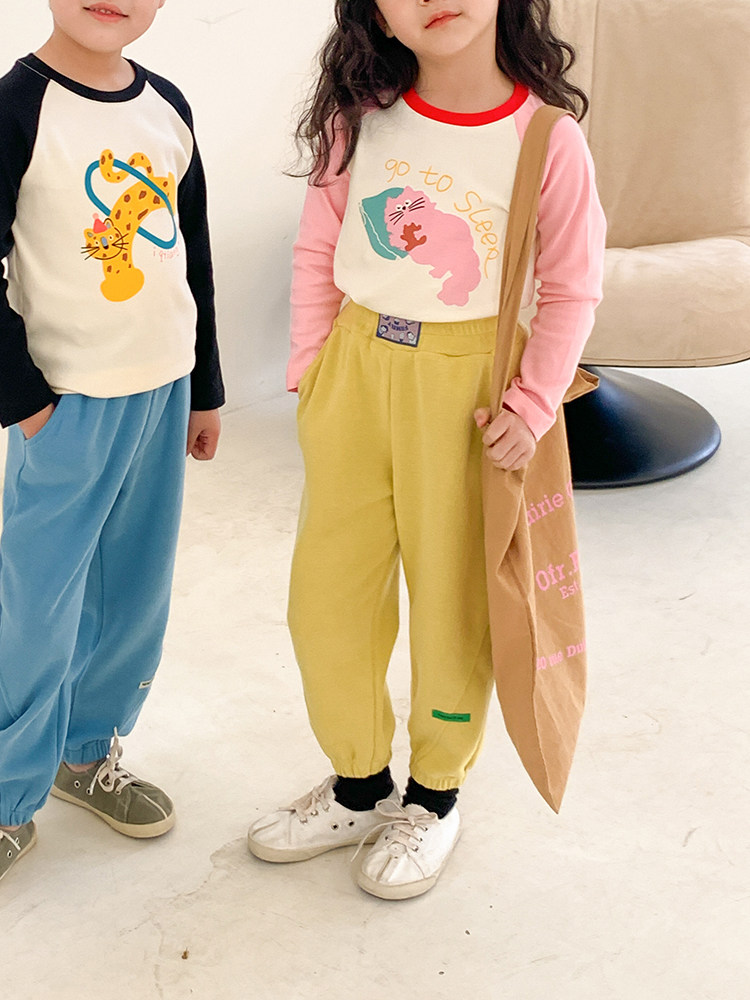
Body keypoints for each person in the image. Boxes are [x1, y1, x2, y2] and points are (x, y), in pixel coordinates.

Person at [247, 0, 605, 899]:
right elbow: (318, 247)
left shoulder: (545, 139)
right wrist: (311, 373)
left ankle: (435, 796)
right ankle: (359, 784)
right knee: (327, 597)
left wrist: (533, 403)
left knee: (453, 601)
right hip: (355, 369)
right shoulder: (357, 121)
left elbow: (572, 287)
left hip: (467, 391)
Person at [0, 0, 224, 883]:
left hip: (162, 392)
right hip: (67, 404)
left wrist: (205, 390)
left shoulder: (167, 106)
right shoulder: (16, 108)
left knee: (133, 594)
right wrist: (26, 404)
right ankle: (6, 793)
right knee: (38, 607)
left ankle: (86, 754)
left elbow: (191, 255)